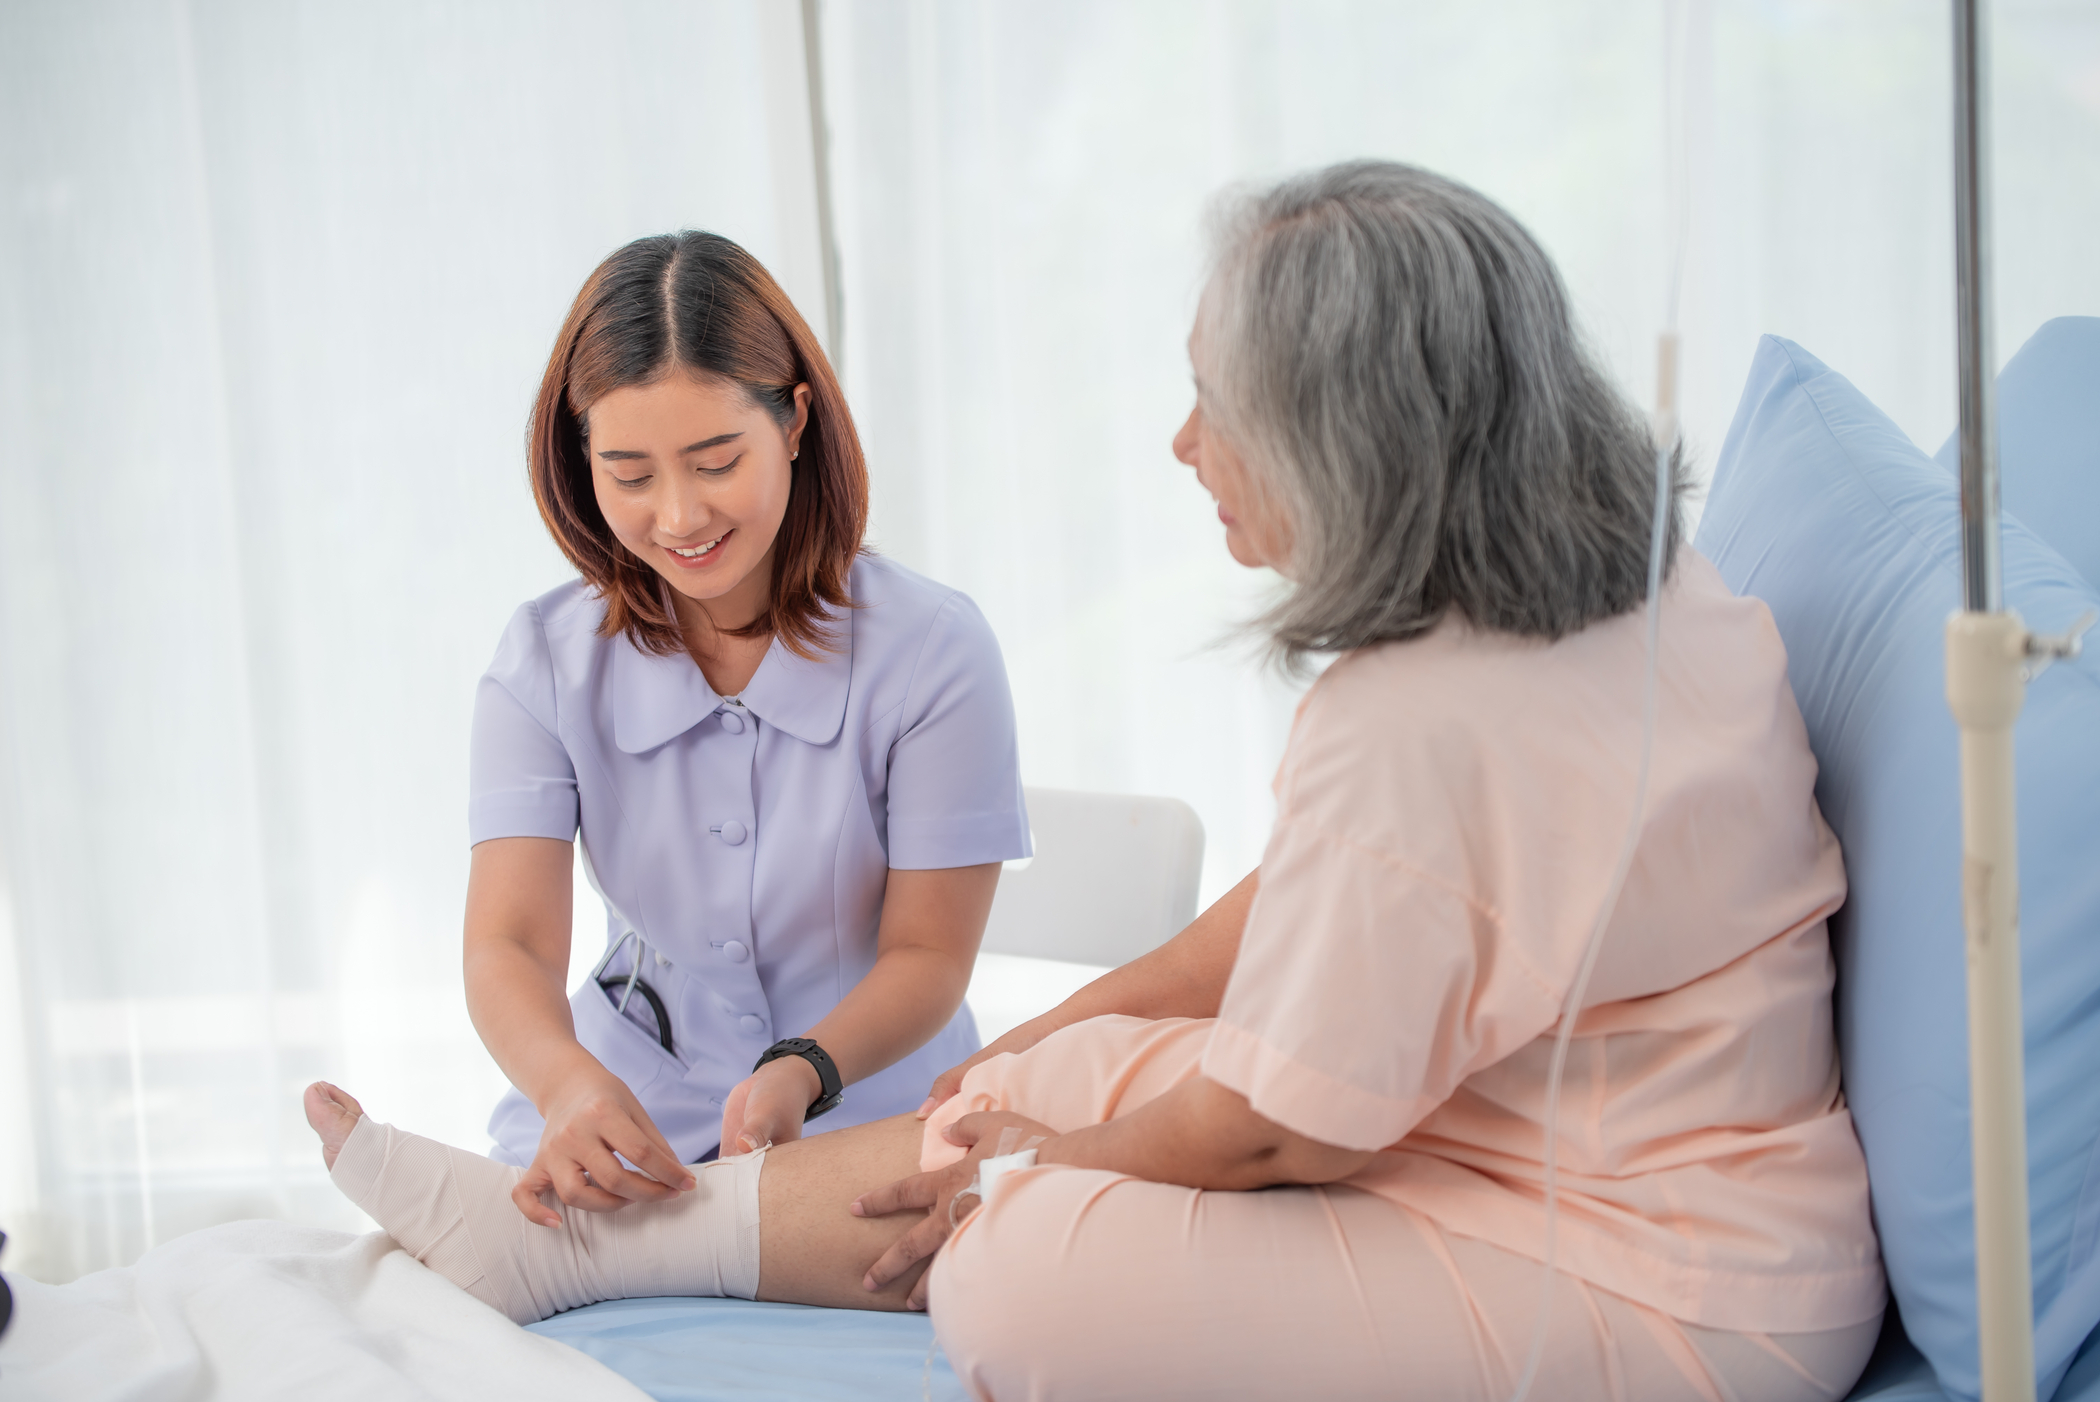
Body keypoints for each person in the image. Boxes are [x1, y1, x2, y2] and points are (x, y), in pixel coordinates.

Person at [306, 161, 1885, 1401]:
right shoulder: (1632, 586)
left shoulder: (1402, 721)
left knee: (1020, 1267)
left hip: (1654, 1260)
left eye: (1224, 406)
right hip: (1516, 1116)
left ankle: (601, 1250)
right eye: (627, 469)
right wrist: (1032, 1074)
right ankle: (575, 1252)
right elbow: (1287, 924)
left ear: (1352, 440)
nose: (1184, 445)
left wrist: (1023, 1172)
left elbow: (1278, 1130)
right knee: (1014, 1091)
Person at [466, 230, 1031, 1217]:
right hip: (617, 1138)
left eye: (715, 460)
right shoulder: (543, 660)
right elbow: (508, 944)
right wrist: (567, 1085)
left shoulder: (934, 649)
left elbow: (928, 958)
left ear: (796, 423)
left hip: (873, 1129)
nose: (678, 516)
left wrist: (807, 1067)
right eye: (631, 475)